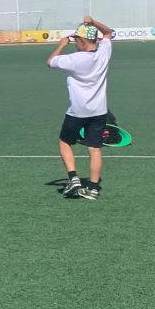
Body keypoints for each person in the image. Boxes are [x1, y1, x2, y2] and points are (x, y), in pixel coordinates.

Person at [47, 16, 116, 200]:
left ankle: (73, 179)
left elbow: (50, 62)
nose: (75, 42)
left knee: (64, 142)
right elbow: (108, 33)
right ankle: (93, 189)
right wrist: (93, 22)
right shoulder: (103, 53)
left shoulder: (73, 59)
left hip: (78, 111)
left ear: (82, 41)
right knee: (95, 148)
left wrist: (61, 45)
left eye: (76, 39)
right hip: (99, 111)